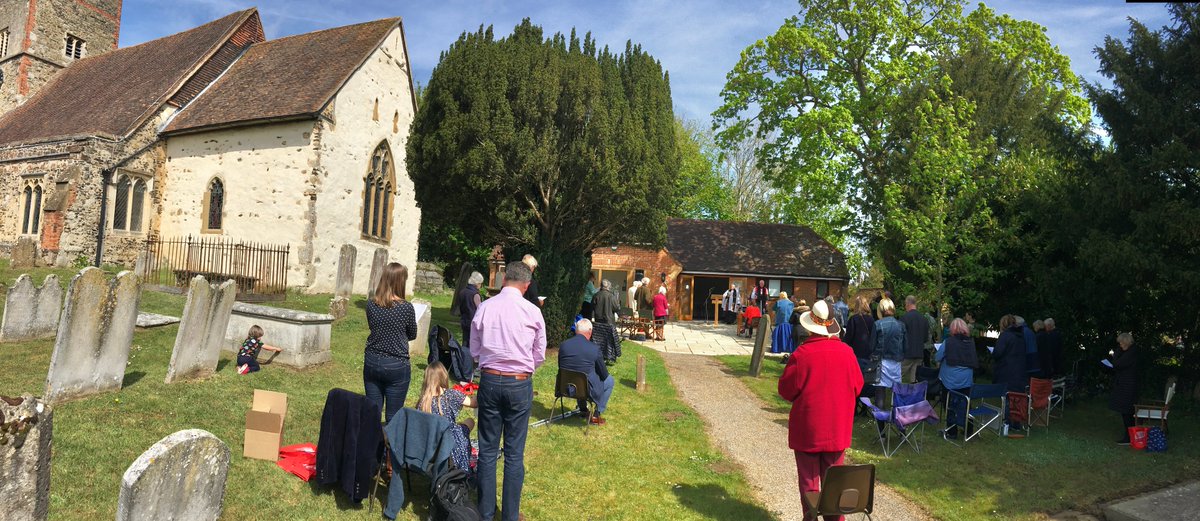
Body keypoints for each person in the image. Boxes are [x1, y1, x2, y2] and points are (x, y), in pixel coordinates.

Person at [469, 260, 546, 521]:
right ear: (526, 286)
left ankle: (486, 513)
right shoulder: (533, 311)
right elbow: (539, 353)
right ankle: (510, 516)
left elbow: (475, 350)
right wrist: (523, 369)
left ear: (504, 281)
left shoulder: (485, 308)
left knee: (488, 450)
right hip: (518, 381)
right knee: (514, 453)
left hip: (490, 380)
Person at [778, 300, 864, 521]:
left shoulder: (802, 354)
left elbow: (786, 390)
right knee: (835, 487)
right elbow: (858, 386)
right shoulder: (847, 352)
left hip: (808, 429)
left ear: (810, 326)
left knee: (809, 485)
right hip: (837, 428)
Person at [362, 263, 418, 423]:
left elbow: (373, 326)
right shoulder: (406, 308)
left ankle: (370, 445)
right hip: (396, 363)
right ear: (400, 282)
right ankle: (389, 447)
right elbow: (412, 334)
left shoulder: (371, 304)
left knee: (372, 412)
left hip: (372, 360)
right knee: (393, 416)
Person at [416, 361, 477, 473]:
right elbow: (474, 403)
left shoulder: (422, 401)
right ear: (444, 376)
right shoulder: (451, 394)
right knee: (470, 421)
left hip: (429, 443)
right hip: (449, 443)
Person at [558, 318, 616, 425]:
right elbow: (604, 374)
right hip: (586, 390)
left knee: (579, 376)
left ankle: (583, 410)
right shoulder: (594, 348)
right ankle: (596, 414)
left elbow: (561, 367)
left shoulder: (563, 345)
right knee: (610, 381)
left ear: (576, 330)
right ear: (590, 331)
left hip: (564, 387)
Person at [937, 319, 978, 440]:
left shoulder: (948, 342)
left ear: (952, 329)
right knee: (966, 403)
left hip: (950, 381)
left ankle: (952, 431)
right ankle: (969, 430)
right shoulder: (970, 343)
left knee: (949, 403)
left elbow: (937, 357)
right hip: (966, 381)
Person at [992, 314, 1027, 431]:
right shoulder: (1021, 336)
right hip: (1019, 371)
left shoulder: (1005, 336)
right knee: (1016, 398)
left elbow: (998, 353)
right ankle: (1016, 423)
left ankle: (1007, 424)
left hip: (1007, 370)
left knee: (1007, 398)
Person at [869, 298, 905, 402]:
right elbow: (905, 346)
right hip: (896, 362)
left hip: (881, 361)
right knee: (896, 391)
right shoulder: (901, 325)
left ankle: (880, 417)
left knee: (880, 391)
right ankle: (897, 415)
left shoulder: (877, 324)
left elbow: (871, 346)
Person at [1109, 332, 1138, 445]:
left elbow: (1117, 363)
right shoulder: (1129, 351)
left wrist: (1116, 354)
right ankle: (1129, 434)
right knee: (1125, 412)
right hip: (1125, 384)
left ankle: (1129, 436)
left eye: (1121, 343)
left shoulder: (1132, 353)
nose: (1120, 345)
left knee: (1127, 411)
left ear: (1126, 342)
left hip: (1128, 386)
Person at [898, 295, 929, 384]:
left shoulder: (904, 318)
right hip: (919, 353)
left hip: (907, 353)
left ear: (907, 304)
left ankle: (896, 393)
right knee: (914, 378)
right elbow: (925, 338)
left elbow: (900, 337)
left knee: (898, 375)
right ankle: (913, 395)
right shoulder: (924, 319)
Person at [457, 271, 485, 349]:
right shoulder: (475, 294)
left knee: (465, 341)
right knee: (472, 344)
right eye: (480, 283)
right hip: (473, 321)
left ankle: (463, 357)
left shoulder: (462, 291)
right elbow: (480, 309)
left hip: (464, 320)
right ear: (477, 283)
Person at [843, 295, 875, 361]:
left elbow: (849, 337)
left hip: (856, 353)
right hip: (868, 353)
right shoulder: (871, 319)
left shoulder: (853, 319)